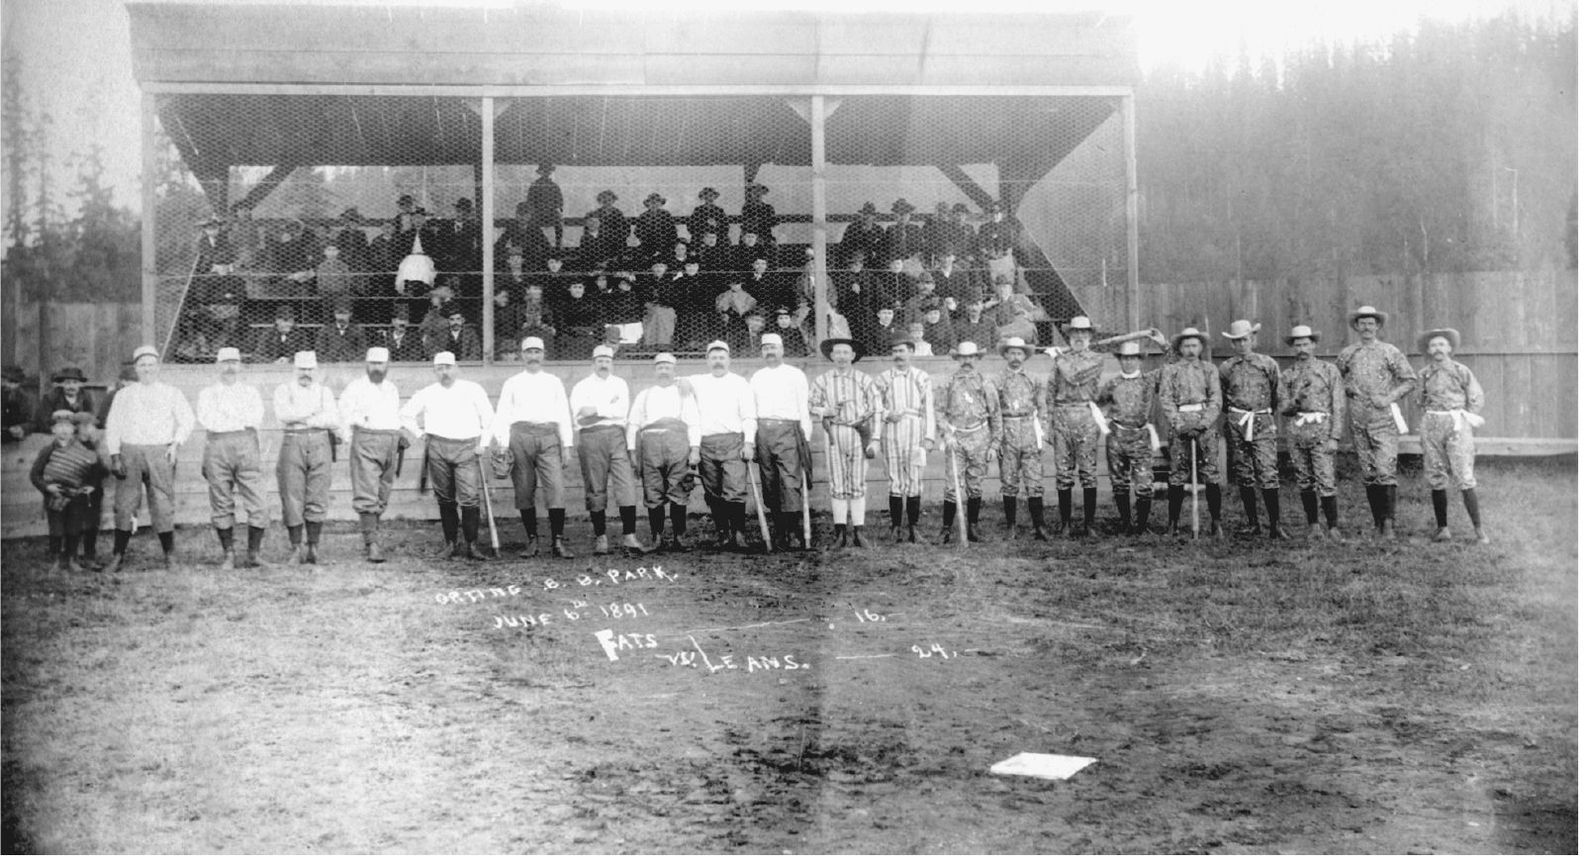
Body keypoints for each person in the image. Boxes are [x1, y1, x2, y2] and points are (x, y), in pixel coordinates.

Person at [104, 345, 195, 572]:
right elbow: (112, 425)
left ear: (158, 367)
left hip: (159, 453)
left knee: (162, 504)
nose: (147, 369)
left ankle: (169, 556)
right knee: (125, 505)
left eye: (151, 364)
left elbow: (187, 420)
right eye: (142, 365)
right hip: (130, 453)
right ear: (136, 368)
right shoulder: (124, 395)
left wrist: (176, 443)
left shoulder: (171, 392)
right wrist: (115, 455)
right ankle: (118, 556)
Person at [401, 351, 496, 560]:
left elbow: (489, 418)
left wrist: (484, 443)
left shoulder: (472, 390)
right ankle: (451, 544)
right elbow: (405, 414)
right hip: (438, 448)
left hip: (467, 448)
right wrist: (420, 434)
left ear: (456, 368)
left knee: (470, 497)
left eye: (448, 367)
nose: (445, 372)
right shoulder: (428, 392)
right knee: (445, 498)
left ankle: (472, 545)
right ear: (435, 371)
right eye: (440, 368)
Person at [492, 336, 576, 558]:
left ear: (543, 354)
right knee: (524, 489)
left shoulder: (553, 381)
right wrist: (502, 444)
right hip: (520, 437)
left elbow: (563, 415)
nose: (533, 356)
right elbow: (502, 414)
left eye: (537, 352)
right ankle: (532, 540)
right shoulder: (512, 382)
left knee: (556, 488)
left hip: (548, 436)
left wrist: (566, 445)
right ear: (522, 355)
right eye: (528, 352)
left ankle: (557, 541)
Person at [1338, 305, 1417, 539]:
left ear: (1378, 326)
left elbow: (1409, 380)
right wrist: (1347, 387)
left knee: (1385, 470)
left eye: (1371, 323)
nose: (1367, 327)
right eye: (1362, 323)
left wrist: (1389, 397)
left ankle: (1389, 524)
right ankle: (1377, 522)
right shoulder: (1347, 354)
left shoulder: (1389, 351)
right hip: (1359, 421)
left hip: (1383, 420)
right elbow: (1334, 381)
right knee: (1369, 472)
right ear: (1356, 326)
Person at [195, 346, 267, 569]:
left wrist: (228, 417)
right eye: (225, 363)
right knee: (221, 501)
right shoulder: (208, 393)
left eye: (233, 363)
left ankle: (253, 554)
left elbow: (255, 417)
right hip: (217, 445)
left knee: (258, 502)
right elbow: (208, 420)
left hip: (246, 444)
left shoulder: (250, 392)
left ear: (240, 366)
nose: (229, 367)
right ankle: (229, 554)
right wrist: (235, 418)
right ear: (218, 366)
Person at [1415, 327, 1489, 544]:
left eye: (1442, 344)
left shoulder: (1461, 370)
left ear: (1449, 348)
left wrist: (1465, 417)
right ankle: (1442, 528)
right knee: (1435, 473)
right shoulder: (1424, 374)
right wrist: (1433, 418)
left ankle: (1479, 530)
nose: (1438, 349)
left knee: (1464, 474)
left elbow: (1476, 397)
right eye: (1433, 345)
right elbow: (1419, 400)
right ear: (1429, 350)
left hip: (1457, 424)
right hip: (1432, 423)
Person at [569, 343, 643, 556]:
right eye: (600, 361)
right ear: (593, 363)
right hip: (590, 437)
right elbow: (580, 415)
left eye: (607, 361)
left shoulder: (620, 384)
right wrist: (606, 410)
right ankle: (600, 537)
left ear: (613, 363)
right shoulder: (581, 386)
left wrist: (597, 409)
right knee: (595, 488)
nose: (604, 364)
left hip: (617, 436)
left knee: (626, 485)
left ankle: (629, 536)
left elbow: (622, 412)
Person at [684, 340, 758, 550]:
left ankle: (739, 533)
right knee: (713, 492)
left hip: (733, 442)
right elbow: (677, 380)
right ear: (707, 361)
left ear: (729, 360)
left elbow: (749, 416)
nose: (718, 362)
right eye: (714, 358)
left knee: (734, 489)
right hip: (706, 443)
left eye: (722, 358)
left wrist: (749, 442)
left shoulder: (739, 383)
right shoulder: (698, 381)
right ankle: (723, 533)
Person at [1217, 320, 1287, 539]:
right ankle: (1253, 522)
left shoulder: (1267, 364)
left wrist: (1264, 415)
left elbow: (1277, 394)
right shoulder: (1227, 368)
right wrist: (1235, 417)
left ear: (1253, 340)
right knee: (1244, 472)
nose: (1241, 345)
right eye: (1236, 341)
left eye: (1244, 340)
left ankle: (1275, 524)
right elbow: (1223, 397)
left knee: (1267, 472)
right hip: (1237, 422)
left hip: (1262, 422)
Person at [627, 353, 703, 552]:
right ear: (654, 371)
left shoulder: (683, 393)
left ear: (673, 370)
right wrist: (632, 451)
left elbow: (694, 422)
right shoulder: (645, 394)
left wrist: (695, 449)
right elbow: (633, 423)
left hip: (677, 442)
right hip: (650, 443)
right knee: (653, 490)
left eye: (667, 367)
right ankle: (657, 537)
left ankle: (679, 537)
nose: (663, 371)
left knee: (679, 488)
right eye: (660, 367)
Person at [338, 346, 406, 563]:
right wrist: (352, 440)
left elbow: (394, 415)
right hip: (365, 440)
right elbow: (343, 415)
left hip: (389, 442)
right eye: (373, 364)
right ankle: (372, 544)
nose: (377, 368)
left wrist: (398, 434)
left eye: (381, 364)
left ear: (388, 366)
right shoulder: (355, 388)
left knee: (382, 493)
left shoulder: (392, 388)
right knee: (367, 493)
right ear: (366, 365)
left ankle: (372, 537)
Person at [1279, 324, 1346, 540]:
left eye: (1306, 344)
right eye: (1298, 344)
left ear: (1314, 345)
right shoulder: (1288, 375)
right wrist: (1296, 401)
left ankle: (1333, 526)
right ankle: (1314, 525)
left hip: (1322, 429)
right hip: (1298, 430)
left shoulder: (1328, 370)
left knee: (1325, 477)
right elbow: (1284, 408)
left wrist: (1335, 436)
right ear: (1293, 348)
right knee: (1304, 478)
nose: (1302, 348)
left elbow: (1338, 404)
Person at [809, 336, 877, 548]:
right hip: (834, 433)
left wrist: (873, 439)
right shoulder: (823, 380)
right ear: (831, 356)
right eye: (837, 353)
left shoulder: (864, 379)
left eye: (845, 353)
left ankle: (859, 531)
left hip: (858, 431)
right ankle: (840, 533)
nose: (841, 357)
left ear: (853, 356)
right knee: (837, 482)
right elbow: (810, 405)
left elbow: (876, 408)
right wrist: (826, 411)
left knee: (857, 482)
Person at [1096, 335, 1168, 536]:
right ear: (1120, 360)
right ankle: (1126, 522)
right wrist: (1104, 422)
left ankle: (1142, 525)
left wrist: (1163, 344)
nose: (1128, 362)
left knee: (1144, 483)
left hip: (1140, 437)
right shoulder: (1112, 384)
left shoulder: (1148, 380)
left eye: (1133, 358)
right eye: (1125, 358)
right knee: (1119, 482)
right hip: (1117, 438)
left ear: (1139, 359)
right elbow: (1097, 404)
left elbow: (1170, 365)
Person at [272, 351, 339, 564]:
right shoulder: (284, 389)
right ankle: (295, 547)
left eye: (310, 369)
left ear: (316, 370)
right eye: (302, 369)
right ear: (294, 369)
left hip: (320, 443)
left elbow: (333, 418)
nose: (306, 373)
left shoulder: (324, 391)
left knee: (318, 493)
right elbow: (283, 415)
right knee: (291, 494)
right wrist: (314, 414)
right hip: (293, 441)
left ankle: (313, 547)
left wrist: (302, 416)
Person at [1158, 327, 1224, 537]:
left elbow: (1216, 400)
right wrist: (1179, 424)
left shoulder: (1209, 369)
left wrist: (1203, 424)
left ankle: (1216, 522)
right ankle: (1173, 522)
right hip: (1180, 426)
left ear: (1201, 347)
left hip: (1204, 425)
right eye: (1186, 346)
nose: (1190, 350)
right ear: (1180, 348)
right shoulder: (1170, 370)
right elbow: (1165, 399)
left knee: (1211, 473)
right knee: (1177, 474)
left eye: (1194, 345)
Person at [749, 332, 812, 551]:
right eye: (765, 348)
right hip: (764, 431)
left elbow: (804, 408)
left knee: (790, 481)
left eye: (773, 348)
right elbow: (752, 410)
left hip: (788, 430)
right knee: (770, 482)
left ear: (782, 350)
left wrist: (806, 435)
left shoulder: (795, 375)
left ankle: (793, 530)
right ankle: (780, 531)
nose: (770, 352)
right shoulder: (757, 377)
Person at [874, 328, 936, 542]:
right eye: (894, 352)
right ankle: (895, 527)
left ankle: (913, 528)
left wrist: (929, 436)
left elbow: (928, 408)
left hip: (915, 430)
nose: (898, 355)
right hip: (891, 431)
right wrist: (886, 414)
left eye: (902, 351)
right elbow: (874, 406)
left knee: (914, 478)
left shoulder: (922, 377)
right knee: (894, 478)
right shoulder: (883, 378)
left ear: (911, 352)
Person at [935, 341, 1001, 542]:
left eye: (971, 357)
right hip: (956, 438)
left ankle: (973, 527)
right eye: (963, 357)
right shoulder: (949, 382)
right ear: (958, 359)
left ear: (976, 359)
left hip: (979, 437)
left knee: (975, 483)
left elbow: (995, 414)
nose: (967, 361)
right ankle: (946, 529)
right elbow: (939, 412)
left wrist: (994, 444)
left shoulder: (985, 383)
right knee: (951, 485)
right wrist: (947, 434)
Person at [31, 410, 103, 572]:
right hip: (55, 496)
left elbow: (95, 471)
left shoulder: (85, 451)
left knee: (74, 529)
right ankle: (55, 560)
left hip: (76, 496)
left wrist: (92, 485)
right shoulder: (48, 450)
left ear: (73, 430)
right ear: (52, 430)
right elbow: (35, 474)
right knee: (56, 530)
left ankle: (72, 559)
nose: (63, 430)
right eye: (59, 426)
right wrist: (47, 487)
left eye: (67, 426)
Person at [992, 337, 1048, 540]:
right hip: (1008, 430)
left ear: (1025, 356)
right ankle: (1011, 526)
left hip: (1029, 430)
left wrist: (1042, 433)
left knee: (1034, 479)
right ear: (1006, 355)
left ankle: (1039, 525)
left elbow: (1042, 407)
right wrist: (996, 439)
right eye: (1012, 353)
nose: (1015, 357)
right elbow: (994, 411)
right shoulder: (997, 381)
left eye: (1019, 353)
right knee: (1008, 479)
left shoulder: (1034, 379)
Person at [315, 296, 368, 363]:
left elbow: (362, 352)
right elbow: (319, 352)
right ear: (334, 314)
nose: (341, 317)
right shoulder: (325, 331)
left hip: (351, 367)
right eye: (339, 313)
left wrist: (352, 362)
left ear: (350, 314)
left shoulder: (358, 331)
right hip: (330, 366)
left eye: (345, 313)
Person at [527, 163, 565, 249]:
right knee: (532, 223)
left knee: (559, 222)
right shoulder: (535, 185)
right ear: (540, 172)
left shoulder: (554, 186)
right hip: (538, 211)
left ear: (550, 172)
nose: (546, 173)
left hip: (551, 211)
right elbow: (530, 201)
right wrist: (535, 210)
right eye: (544, 171)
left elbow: (560, 201)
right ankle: (534, 244)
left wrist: (557, 208)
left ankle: (558, 244)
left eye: (548, 171)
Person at [587, 190, 629, 266]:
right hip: (601, 237)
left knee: (620, 243)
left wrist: (619, 234)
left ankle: (617, 262)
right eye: (604, 200)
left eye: (609, 200)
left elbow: (624, 226)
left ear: (613, 201)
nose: (607, 202)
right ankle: (602, 264)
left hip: (616, 237)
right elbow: (592, 227)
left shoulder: (618, 212)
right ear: (600, 201)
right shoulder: (597, 213)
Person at [839, 202, 887, 269]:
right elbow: (843, 245)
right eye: (864, 213)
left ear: (874, 216)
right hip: (854, 260)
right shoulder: (852, 227)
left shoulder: (878, 229)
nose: (866, 216)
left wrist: (875, 253)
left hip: (871, 261)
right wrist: (853, 255)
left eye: (870, 214)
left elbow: (883, 247)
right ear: (861, 215)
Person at [634, 193, 677, 262]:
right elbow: (638, 232)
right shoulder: (643, 216)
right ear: (648, 204)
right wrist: (650, 245)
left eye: (657, 202)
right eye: (652, 202)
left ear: (660, 204)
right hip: (649, 245)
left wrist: (668, 245)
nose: (654, 205)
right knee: (640, 256)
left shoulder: (666, 214)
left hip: (665, 244)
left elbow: (673, 231)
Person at [3, 365, 35, 442]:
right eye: (5, 381)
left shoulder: (25, 398)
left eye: (14, 382)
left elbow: (32, 422)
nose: (8, 385)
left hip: (14, 438)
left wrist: (22, 428)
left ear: (20, 383)